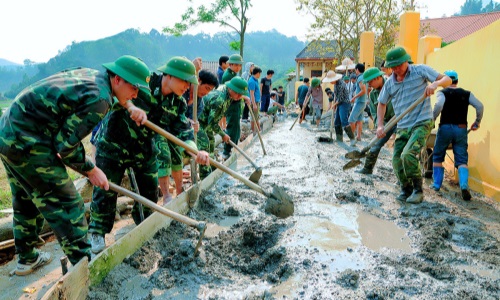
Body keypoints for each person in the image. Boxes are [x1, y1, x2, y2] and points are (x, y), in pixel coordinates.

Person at [0, 55, 151, 275]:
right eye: (134, 88)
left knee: (27, 199)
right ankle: (85, 269)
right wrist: (91, 169)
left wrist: (129, 105)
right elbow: (65, 146)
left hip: (8, 131)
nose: (136, 95)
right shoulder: (100, 100)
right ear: (117, 79)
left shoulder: (94, 77)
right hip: (29, 140)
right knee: (68, 204)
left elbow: (62, 139)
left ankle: (27, 259)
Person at [89, 56, 211, 254]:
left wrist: (196, 151)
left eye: (190, 83)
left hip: (144, 149)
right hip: (114, 144)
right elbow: (116, 92)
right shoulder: (144, 82)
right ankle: (97, 232)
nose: (188, 86)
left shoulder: (177, 103)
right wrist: (130, 106)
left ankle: (143, 226)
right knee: (105, 189)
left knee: (148, 193)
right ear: (169, 76)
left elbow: (183, 131)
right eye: (185, 81)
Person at [376, 46, 451, 204]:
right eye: (393, 67)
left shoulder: (420, 71)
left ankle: (418, 190)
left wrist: (435, 84)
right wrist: (380, 125)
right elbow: (381, 104)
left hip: (422, 121)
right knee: (397, 159)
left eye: (399, 65)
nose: (397, 69)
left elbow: (447, 80)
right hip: (403, 125)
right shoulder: (390, 83)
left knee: (408, 154)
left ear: (406, 61)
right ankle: (406, 189)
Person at [430, 70, 483, 201]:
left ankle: (436, 184)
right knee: (461, 159)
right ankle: (464, 185)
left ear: (446, 81)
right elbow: (480, 106)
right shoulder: (466, 94)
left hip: (445, 128)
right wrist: (477, 122)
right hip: (461, 129)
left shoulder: (442, 92)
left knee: (437, 155)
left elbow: (439, 105)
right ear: (457, 81)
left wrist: (432, 119)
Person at [198, 77, 250, 165]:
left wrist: (244, 98)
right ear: (230, 88)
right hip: (200, 122)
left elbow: (213, 122)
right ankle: (206, 174)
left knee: (211, 143)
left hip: (208, 122)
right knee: (205, 146)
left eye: (241, 94)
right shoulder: (220, 100)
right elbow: (212, 123)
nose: (239, 97)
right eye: (238, 93)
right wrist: (223, 135)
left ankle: (211, 166)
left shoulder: (230, 95)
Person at [356, 67, 395, 175]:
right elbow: (374, 113)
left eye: (370, 81)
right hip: (386, 123)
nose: (369, 84)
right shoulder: (373, 94)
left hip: (400, 120)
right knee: (375, 145)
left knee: (399, 151)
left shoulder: (393, 85)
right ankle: (367, 169)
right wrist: (379, 126)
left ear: (378, 78)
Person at [184, 69, 219, 179]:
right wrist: (186, 121)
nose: (206, 93)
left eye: (210, 90)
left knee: (204, 141)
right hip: (170, 127)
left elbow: (191, 123)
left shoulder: (200, 104)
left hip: (184, 131)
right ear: (198, 81)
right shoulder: (182, 90)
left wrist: (192, 125)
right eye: (207, 88)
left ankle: (206, 175)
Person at [221, 54, 244, 159]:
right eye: (236, 65)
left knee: (236, 128)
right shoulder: (228, 76)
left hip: (236, 104)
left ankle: (233, 147)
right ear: (230, 64)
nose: (238, 68)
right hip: (231, 105)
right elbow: (231, 92)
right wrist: (244, 97)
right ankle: (227, 151)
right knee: (232, 127)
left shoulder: (233, 74)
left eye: (240, 66)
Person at [322, 71, 354, 143]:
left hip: (344, 103)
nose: (330, 82)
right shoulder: (335, 84)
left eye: (331, 81)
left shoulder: (341, 84)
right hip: (339, 103)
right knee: (337, 121)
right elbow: (336, 96)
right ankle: (339, 139)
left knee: (343, 120)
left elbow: (341, 98)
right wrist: (335, 104)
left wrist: (334, 104)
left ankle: (352, 139)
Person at [348, 63, 367, 146]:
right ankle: (358, 137)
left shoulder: (360, 78)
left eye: (355, 70)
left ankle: (352, 139)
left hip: (359, 102)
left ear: (357, 69)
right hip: (363, 101)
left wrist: (354, 97)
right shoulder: (364, 77)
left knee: (351, 119)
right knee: (359, 120)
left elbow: (363, 90)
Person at [247, 66, 262, 133]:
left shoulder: (255, 80)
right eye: (260, 73)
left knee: (255, 116)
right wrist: (254, 104)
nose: (260, 75)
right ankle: (255, 130)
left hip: (256, 101)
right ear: (257, 73)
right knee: (254, 117)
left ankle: (256, 130)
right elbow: (251, 94)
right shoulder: (252, 81)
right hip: (254, 101)